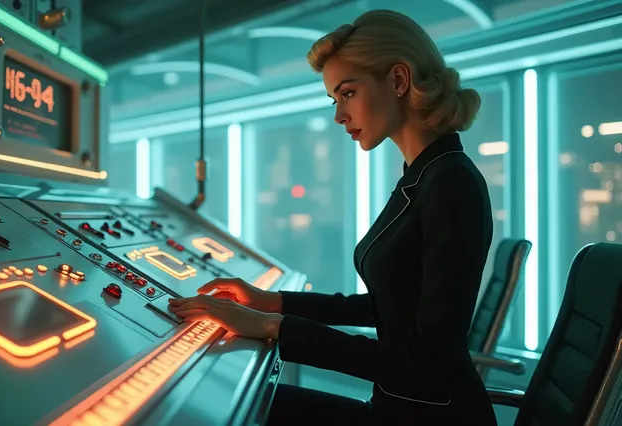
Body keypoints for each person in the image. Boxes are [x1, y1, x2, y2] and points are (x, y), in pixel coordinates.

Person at [168, 9, 496, 426]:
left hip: (430, 417)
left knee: (225, 413)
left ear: (398, 80)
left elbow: (427, 363)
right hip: (398, 408)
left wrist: (274, 325)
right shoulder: (424, 175)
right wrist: (274, 302)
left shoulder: (451, 182)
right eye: (335, 99)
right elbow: (392, 305)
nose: (339, 115)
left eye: (348, 94)